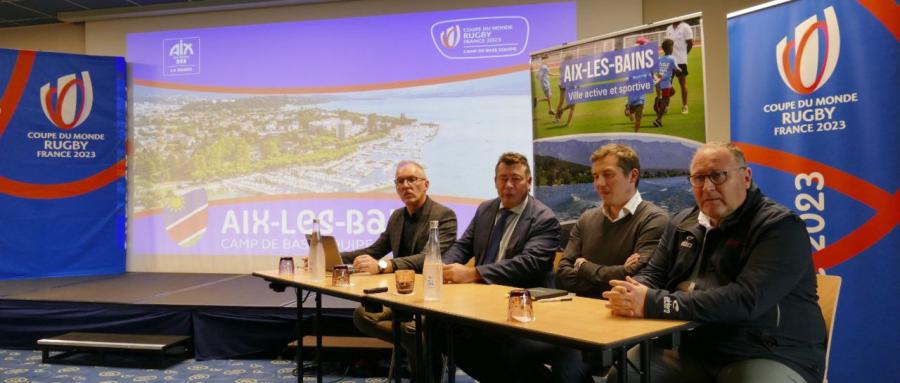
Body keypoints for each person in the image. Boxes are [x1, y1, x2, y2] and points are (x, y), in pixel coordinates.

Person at [603, 142, 826, 383]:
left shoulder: (780, 227)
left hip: (768, 352)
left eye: (718, 175)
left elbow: (745, 300)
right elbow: (654, 274)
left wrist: (653, 303)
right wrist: (629, 291)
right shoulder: (681, 222)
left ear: (746, 177)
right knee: (625, 374)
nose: (708, 187)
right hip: (694, 347)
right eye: (698, 178)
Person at [504, 143, 669, 383]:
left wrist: (584, 267)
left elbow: (631, 285)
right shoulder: (587, 219)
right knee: (510, 350)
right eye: (595, 176)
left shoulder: (654, 221)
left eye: (608, 175)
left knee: (568, 370)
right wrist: (619, 270)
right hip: (575, 322)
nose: (599, 184)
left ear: (633, 175)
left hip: (618, 328)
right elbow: (562, 275)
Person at [440, 152, 561, 382]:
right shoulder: (486, 209)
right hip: (483, 304)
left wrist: (474, 273)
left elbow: (528, 265)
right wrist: (440, 266)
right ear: (495, 181)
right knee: (437, 328)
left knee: (506, 347)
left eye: (515, 179)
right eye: (502, 178)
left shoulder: (544, 218)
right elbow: (463, 246)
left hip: (522, 308)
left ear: (529, 182)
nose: (508, 185)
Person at [340, 160, 457, 377]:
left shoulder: (444, 216)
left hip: (429, 296)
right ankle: (421, 343)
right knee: (363, 315)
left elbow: (429, 258)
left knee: (418, 329)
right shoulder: (397, 216)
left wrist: (385, 266)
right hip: (400, 295)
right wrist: (333, 258)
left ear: (426, 184)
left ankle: (423, 365)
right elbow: (375, 249)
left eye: (412, 179)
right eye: (400, 181)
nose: (406, 185)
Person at [665, 20, 693, 114]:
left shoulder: (685, 26)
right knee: (667, 85)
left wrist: (684, 55)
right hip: (669, 61)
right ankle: (666, 107)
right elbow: (666, 44)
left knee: (683, 84)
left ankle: (685, 106)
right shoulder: (669, 28)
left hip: (681, 61)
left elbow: (690, 43)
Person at [624, 38, 652, 132]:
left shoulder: (646, 66)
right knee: (628, 114)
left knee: (638, 119)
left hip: (640, 99)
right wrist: (627, 104)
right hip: (631, 98)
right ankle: (630, 111)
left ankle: (636, 134)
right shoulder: (631, 68)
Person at [652, 38, 681, 127]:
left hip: (659, 81)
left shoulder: (660, 58)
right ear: (669, 49)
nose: (673, 49)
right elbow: (677, 69)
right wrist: (680, 70)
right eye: (672, 47)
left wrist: (656, 81)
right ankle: (658, 119)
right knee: (665, 100)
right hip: (666, 83)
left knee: (672, 92)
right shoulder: (672, 59)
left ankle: (659, 100)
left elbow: (654, 71)